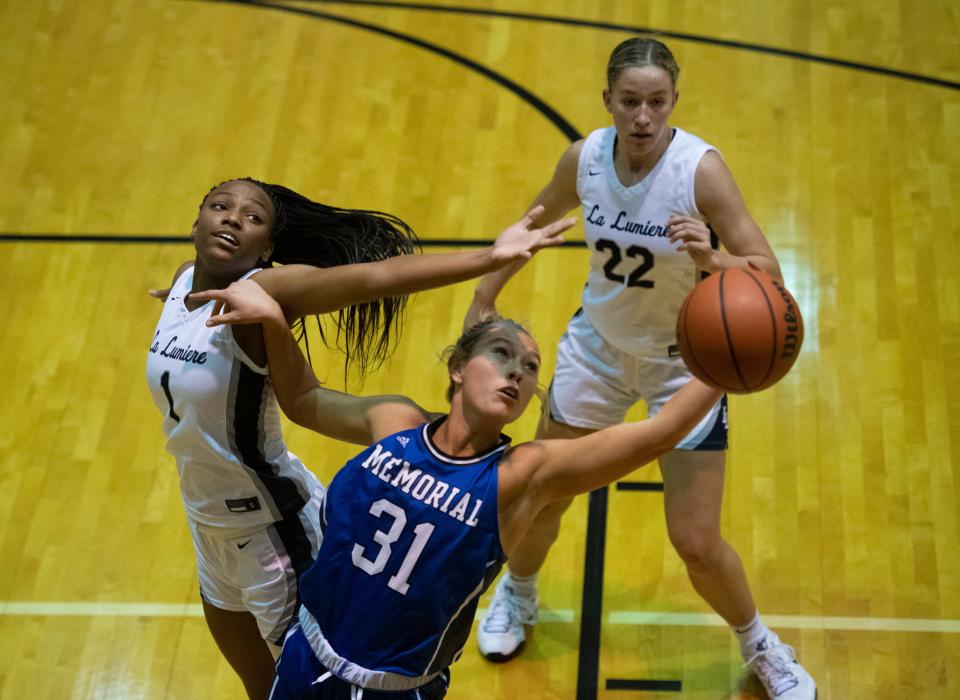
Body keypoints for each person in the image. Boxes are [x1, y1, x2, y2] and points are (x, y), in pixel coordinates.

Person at [468, 38, 816, 699]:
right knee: (538, 498)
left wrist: (715, 263)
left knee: (695, 541)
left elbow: (768, 272)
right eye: (630, 102)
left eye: (657, 103)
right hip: (595, 352)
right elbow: (534, 222)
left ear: (673, 104)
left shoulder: (701, 171)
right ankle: (517, 593)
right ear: (608, 102)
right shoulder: (586, 159)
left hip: (684, 367)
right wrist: (487, 291)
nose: (643, 117)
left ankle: (762, 647)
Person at [186, 276, 724, 699]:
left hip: (395, 691)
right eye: (503, 356)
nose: (518, 373)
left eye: (531, 368)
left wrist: (724, 365)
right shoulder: (394, 422)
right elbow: (303, 399)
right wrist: (274, 320)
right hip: (307, 655)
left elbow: (659, 433)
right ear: (460, 369)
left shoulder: (521, 475)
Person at [145, 177, 574, 699]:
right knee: (263, 689)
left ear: (269, 249)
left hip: (272, 530)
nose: (233, 219)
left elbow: (375, 277)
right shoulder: (183, 282)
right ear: (196, 222)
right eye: (219, 206)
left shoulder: (262, 292)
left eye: (253, 217)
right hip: (205, 520)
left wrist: (487, 260)